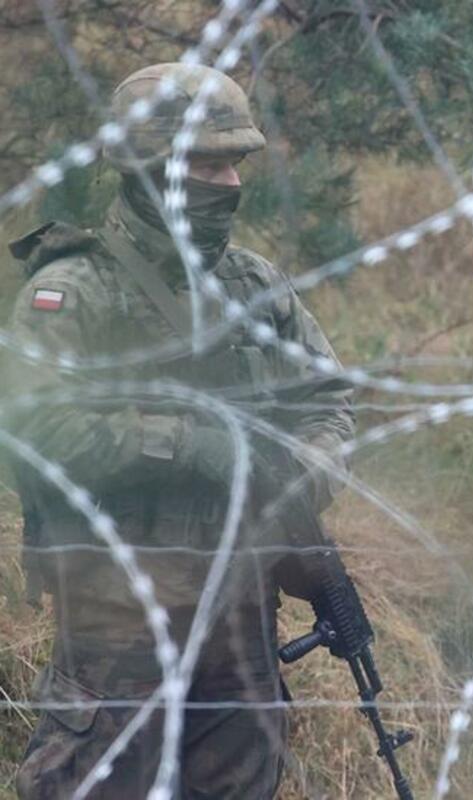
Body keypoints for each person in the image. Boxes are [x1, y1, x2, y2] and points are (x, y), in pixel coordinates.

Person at [4, 63, 354, 798]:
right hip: (118, 619)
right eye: (207, 164)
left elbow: (329, 402)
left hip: (243, 614)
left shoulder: (257, 287)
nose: (230, 182)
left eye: (236, 163)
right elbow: (35, 434)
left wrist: (302, 473)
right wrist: (192, 447)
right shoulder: (73, 292)